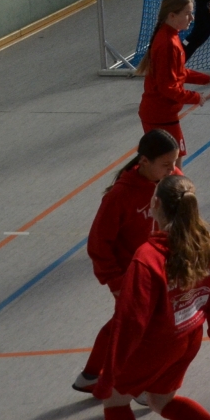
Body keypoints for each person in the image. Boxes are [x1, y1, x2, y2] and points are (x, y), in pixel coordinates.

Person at [97, 175, 210, 420]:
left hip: (155, 345)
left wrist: (110, 373)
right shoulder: (208, 245)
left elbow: (131, 320)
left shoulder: (148, 257)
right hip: (189, 338)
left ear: (155, 203)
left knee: (114, 399)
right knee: (161, 401)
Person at [73, 129, 181, 396]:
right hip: (132, 275)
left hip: (161, 270)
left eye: (174, 163)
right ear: (144, 161)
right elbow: (98, 243)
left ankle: (90, 376)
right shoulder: (119, 196)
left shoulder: (172, 182)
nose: (172, 170)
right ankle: (143, 386)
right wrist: (115, 281)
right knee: (146, 329)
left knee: (125, 324)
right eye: (166, 164)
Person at [136, 0, 207, 157]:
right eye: (187, 14)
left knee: (167, 163)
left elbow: (176, 72)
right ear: (172, 16)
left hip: (160, 113)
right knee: (171, 164)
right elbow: (167, 87)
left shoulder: (170, 37)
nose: (192, 18)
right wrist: (195, 97)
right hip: (161, 115)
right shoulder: (168, 44)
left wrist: (203, 79)